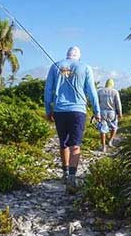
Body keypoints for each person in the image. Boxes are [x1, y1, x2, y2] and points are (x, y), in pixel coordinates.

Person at [44, 46, 100, 194]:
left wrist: (48, 110)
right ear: (78, 57)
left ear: (67, 55)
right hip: (78, 111)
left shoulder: (55, 66)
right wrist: (97, 111)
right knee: (75, 145)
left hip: (59, 110)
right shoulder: (85, 67)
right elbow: (91, 90)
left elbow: (48, 89)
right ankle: (72, 178)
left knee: (63, 143)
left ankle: (64, 173)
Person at [96, 79, 122, 152]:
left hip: (102, 112)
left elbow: (97, 103)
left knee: (102, 130)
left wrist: (96, 112)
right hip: (112, 112)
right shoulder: (115, 92)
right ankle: (110, 141)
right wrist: (120, 113)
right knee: (114, 127)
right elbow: (118, 103)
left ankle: (103, 146)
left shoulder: (100, 91)